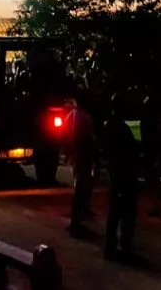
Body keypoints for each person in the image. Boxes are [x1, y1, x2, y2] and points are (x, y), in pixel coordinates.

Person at [104, 92, 141, 261]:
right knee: (124, 213)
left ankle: (113, 246)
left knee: (115, 214)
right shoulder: (119, 127)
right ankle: (122, 247)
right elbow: (128, 150)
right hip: (123, 175)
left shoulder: (111, 125)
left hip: (118, 174)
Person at [65, 90, 97, 238]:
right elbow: (88, 139)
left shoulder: (71, 115)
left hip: (76, 155)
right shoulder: (84, 117)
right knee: (82, 188)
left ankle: (77, 218)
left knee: (80, 186)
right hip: (83, 156)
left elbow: (65, 135)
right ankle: (76, 221)